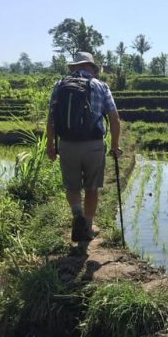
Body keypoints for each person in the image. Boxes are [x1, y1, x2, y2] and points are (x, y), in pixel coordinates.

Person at [46, 51, 121, 242]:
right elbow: (114, 118)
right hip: (93, 146)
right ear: (92, 68)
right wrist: (114, 145)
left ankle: (77, 214)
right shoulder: (101, 86)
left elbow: (51, 119)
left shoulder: (60, 85)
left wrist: (50, 145)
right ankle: (87, 226)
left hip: (67, 145)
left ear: (74, 68)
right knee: (91, 188)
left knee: (72, 186)